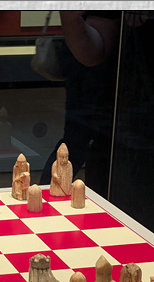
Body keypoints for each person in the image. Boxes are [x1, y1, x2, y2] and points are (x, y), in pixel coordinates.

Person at [39, 10, 121, 199]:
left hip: (98, 79)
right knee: (78, 145)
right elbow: (92, 48)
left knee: (79, 144)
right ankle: (44, 197)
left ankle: (45, 196)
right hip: (94, 80)